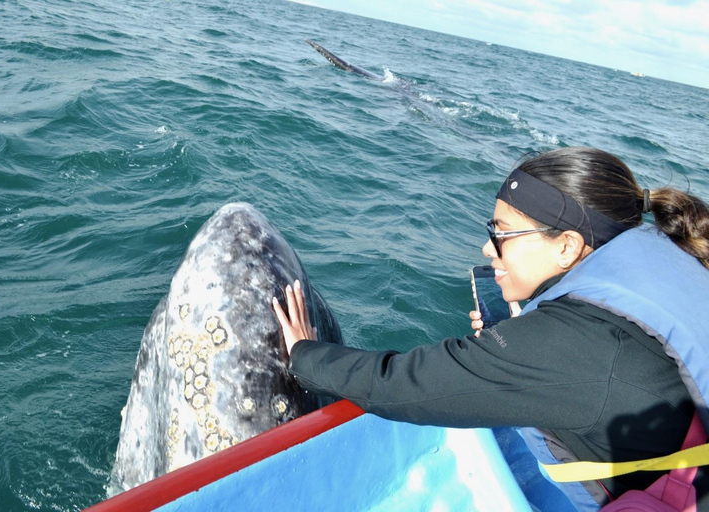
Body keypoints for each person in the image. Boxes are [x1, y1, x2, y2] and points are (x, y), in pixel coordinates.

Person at [272, 146, 709, 511]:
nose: (488, 247)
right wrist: (525, 335)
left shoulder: (569, 348)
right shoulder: (670, 257)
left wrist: (305, 353)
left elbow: (405, 384)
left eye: (502, 233)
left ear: (567, 247)